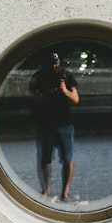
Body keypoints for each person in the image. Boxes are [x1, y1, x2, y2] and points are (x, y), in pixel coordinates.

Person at [29, 52, 79, 202]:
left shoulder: (67, 76)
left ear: (59, 63)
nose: (54, 66)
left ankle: (65, 193)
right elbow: (34, 100)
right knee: (44, 159)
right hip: (45, 123)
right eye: (51, 63)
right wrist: (45, 93)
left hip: (64, 123)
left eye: (56, 63)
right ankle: (45, 190)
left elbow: (75, 99)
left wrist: (64, 90)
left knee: (68, 158)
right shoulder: (38, 77)